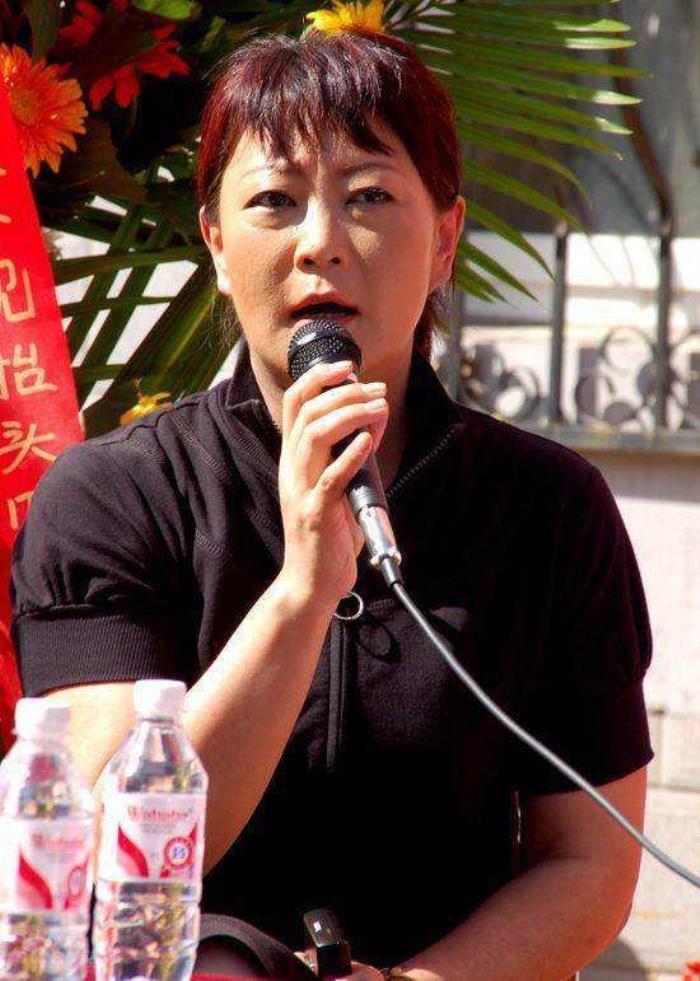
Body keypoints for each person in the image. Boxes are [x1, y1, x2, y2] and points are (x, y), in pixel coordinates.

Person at [10, 12, 653, 980]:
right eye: (274, 201)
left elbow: (589, 861)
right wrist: (302, 591)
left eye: (368, 196)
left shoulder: (549, 507)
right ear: (216, 244)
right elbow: (109, 850)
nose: (320, 243)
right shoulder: (111, 495)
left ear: (445, 239)